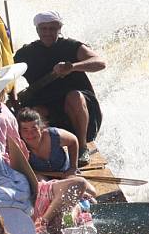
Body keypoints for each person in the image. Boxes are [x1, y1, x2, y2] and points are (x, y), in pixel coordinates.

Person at [14, 11, 105, 167]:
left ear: (59, 29)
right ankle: (41, 155)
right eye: (44, 29)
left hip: (77, 106)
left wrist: (72, 67)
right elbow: (8, 73)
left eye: (52, 29)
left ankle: (82, 148)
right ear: (37, 30)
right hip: (45, 103)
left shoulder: (71, 46)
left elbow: (100, 62)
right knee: (33, 113)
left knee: (74, 97)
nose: (48, 33)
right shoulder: (26, 53)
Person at [18, 107, 78, 176]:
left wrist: (73, 168)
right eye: (25, 130)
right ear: (20, 131)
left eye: (34, 128)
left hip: (65, 171)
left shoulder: (53, 135)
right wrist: (56, 175)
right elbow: (25, 171)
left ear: (41, 128)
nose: (30, 134)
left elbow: (73, 141)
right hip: (41, 176)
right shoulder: (19, 146)